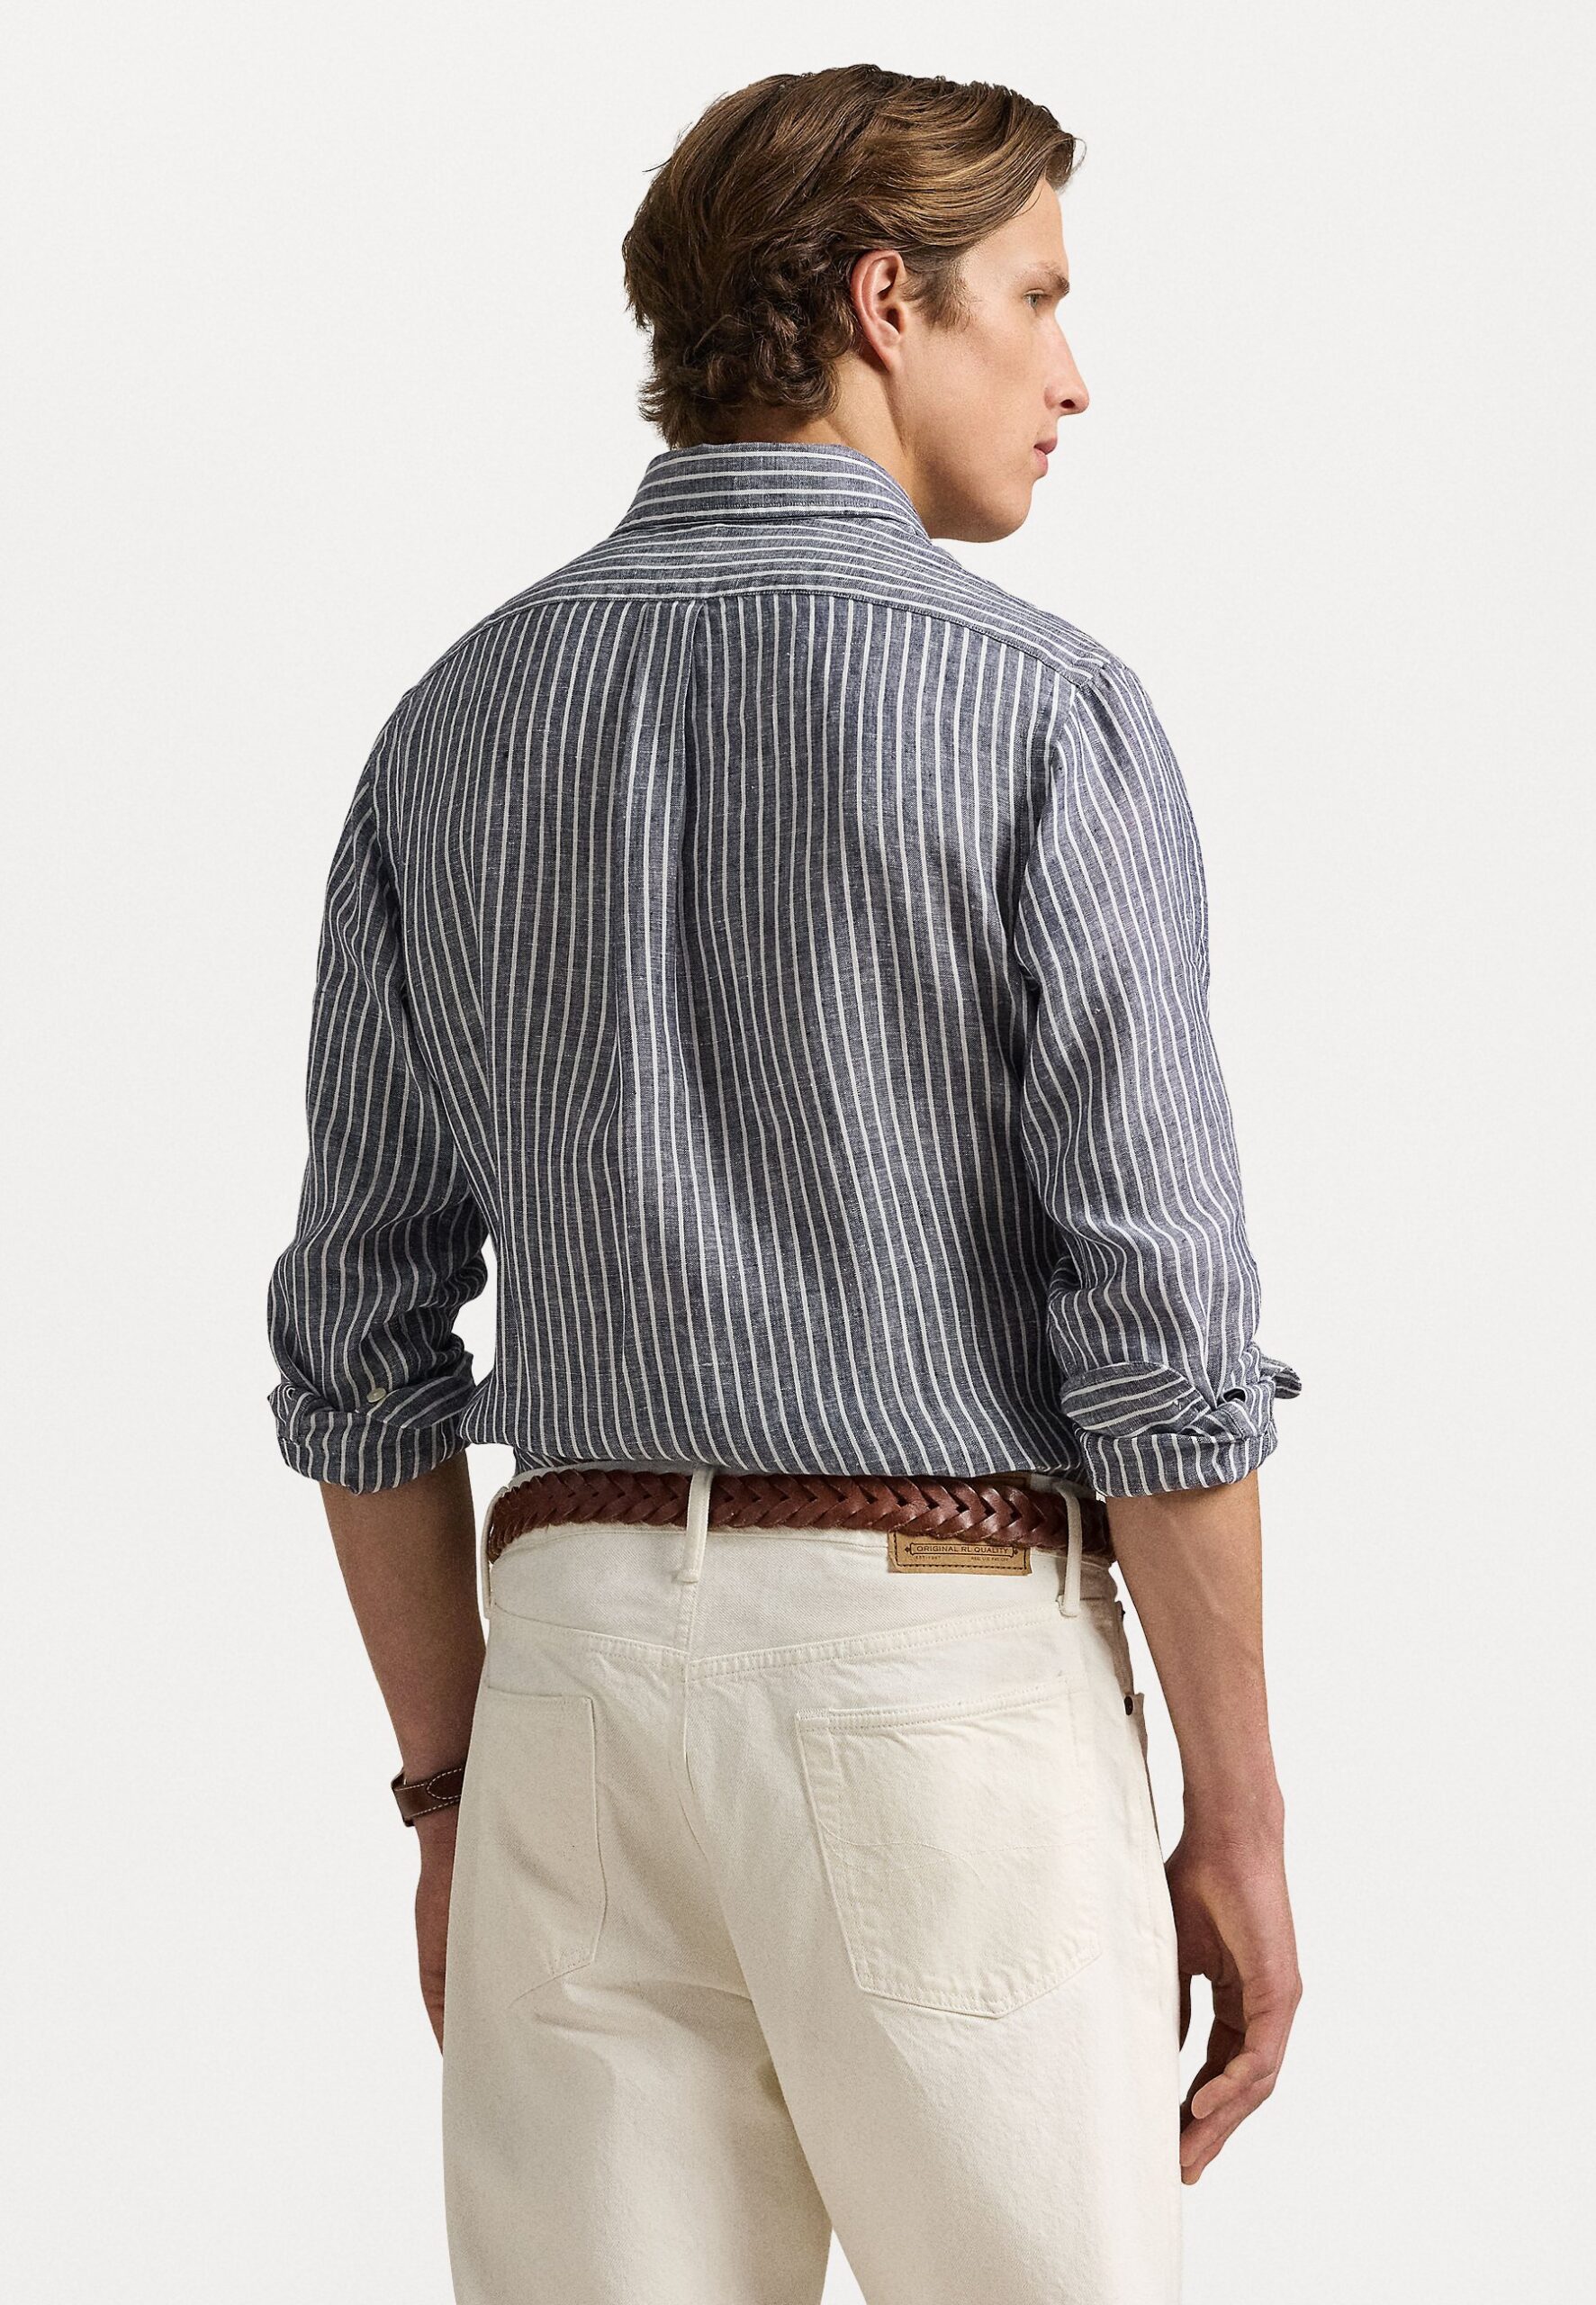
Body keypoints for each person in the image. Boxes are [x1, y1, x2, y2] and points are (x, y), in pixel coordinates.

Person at [266, 61, 1303, 2305]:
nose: (1072, 375)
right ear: (880, 302)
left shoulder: (456, 721)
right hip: (934, 1685)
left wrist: (451, 1793)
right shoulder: (1038, 712)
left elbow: (355, 1329)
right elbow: (1158, 1339)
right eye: (1034, 297)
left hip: (567, 1697)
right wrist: (1235, 1809)